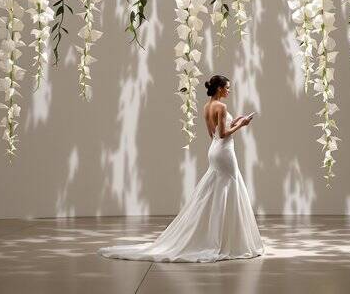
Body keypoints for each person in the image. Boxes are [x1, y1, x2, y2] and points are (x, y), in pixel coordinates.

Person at [98, 74, 265, 262]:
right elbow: (223, 134)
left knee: (218, 190)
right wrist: (241, 124)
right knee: (229, 188)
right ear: (219, 88)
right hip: (225, 152)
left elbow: (213, 135)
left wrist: (234, 122)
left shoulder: (207, 107)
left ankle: (217, 235)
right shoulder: (222, 107)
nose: (229, 90)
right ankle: (226, 239)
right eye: (227, 87)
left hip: (214, 150)